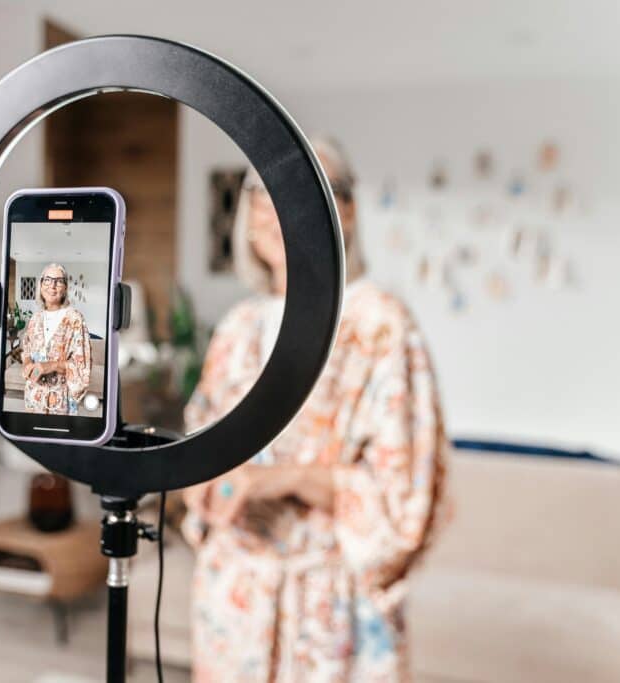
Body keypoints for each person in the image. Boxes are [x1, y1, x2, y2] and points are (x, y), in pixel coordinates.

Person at [182, 138, 448, 682]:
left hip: (327, 606)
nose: (278, 209)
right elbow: (199, 444)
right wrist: (203, 487)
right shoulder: (237, 328)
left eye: (305, 191)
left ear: (345, 211)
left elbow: (408, 493)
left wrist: (285, 479)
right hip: (231, 601)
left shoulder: (380, 325)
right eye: (262, 193)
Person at [20, 263, 91, 415]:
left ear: (65, 288)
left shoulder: (75, 319)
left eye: (58, 281)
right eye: (47, 280)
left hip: (59, 402)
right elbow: (26, 349)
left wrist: (51, 366)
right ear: (40, 284)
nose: (52, 285)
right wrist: (26, 363)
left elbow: (82, 366)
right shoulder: (35, 318)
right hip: (33, 397)